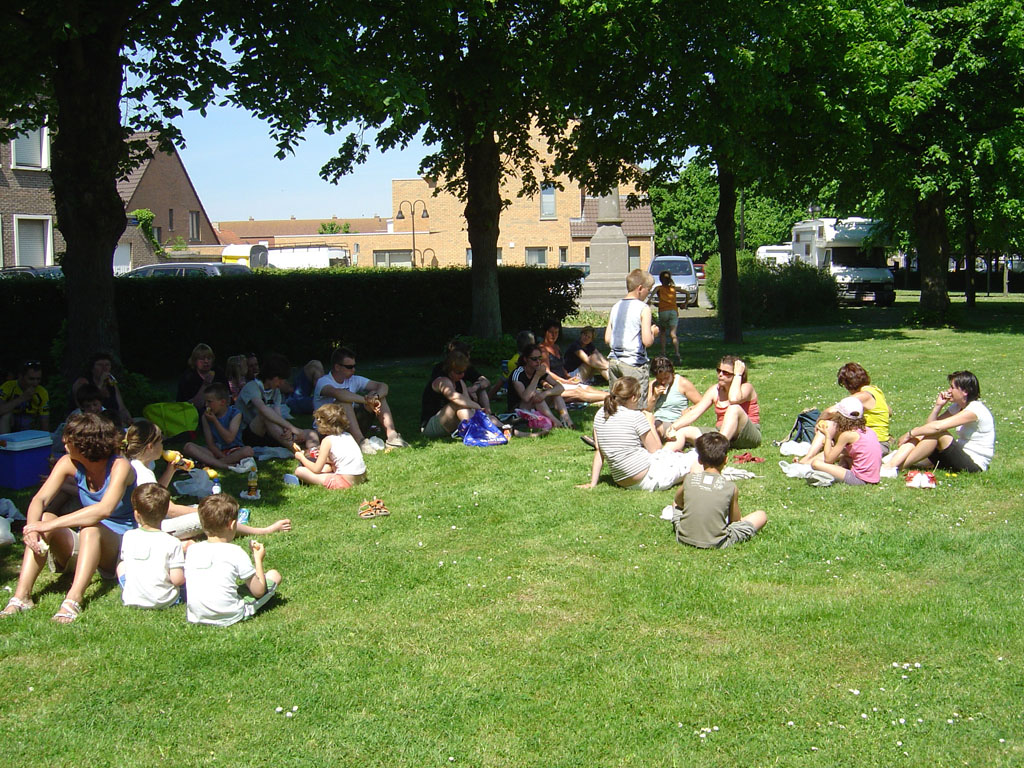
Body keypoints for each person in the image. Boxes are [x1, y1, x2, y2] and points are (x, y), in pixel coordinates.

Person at [1, 413, 136, 623]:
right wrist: (33, 528)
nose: (64, 442)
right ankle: (21, 596)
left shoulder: (120, 466)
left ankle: (73, 599)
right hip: (87, 544)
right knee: (44, 517)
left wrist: (51, 523)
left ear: (86, 444)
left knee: (91, 527)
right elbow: (40, 499)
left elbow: (103, 510)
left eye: (69, 439)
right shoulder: (68, 463)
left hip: (118, 546)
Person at [125, 419, 290, 540]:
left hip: (152, 521)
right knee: (212, 515)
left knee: (204, 508)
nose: (163, 445)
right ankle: (262, 531)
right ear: (149, 447)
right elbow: (169, 509)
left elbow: (156, 495)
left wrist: (171, 469)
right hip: (154, 529)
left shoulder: (140, 465)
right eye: (160, 441)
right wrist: (206, 511)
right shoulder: (142, 473)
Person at [578, 377, 697, 492]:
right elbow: (655, 450)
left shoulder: (601, 414)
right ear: (633, 397)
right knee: (697, 458)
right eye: (640, 396)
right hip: (648, 477)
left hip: (622, 480)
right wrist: (650, 423)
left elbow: (600, 451)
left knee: (675, 455)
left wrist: (593, 483)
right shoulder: (635, 416)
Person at [184, 493, 282, 626]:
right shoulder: (235, 552)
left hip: (196, 615)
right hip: (230, 614)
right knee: (273, 575)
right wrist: (258, 559)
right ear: (232, 524)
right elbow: (258, 591)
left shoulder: (192, 550)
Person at [882, 370, 994, 474]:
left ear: (964, 391)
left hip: (974, 463)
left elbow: (937, 428)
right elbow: (930, 426)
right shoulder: (957, 407)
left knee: (937, 432)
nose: (949, 390)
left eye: (952, 387)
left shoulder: (975, 410)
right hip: (957, 456)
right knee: (926, 431)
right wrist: (938, 406)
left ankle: (896, 467)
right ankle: (891, 463)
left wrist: (910, 433)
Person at [670, 432, 767, 548]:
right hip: (716, 542)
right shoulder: (731, 487)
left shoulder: (690, 478)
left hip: (683, 537)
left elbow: (678, 501)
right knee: (761, 515)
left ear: (699, 460)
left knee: (675, 504)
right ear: (726, 460)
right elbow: (735, 522)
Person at [313, 346, 410, 454]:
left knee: (378, 395)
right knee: (343, 403)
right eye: (349, 367)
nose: (353, 370)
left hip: (349, 425)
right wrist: (367, 401)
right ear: (337, 367)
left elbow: (383, 386)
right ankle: (361, 442)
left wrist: (375, 397)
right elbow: (340, 394)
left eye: (354, 366)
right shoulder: (323, 382)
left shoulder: (354, 379)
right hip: (328, 429)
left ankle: (392, 436)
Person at [798, 362, 893, 463]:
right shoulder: (875, 390)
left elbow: (830, 411)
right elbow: (889, 411)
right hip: (881, 442)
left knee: (827, 425)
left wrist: (819, 421)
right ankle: (810, 458)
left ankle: (808, 459)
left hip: (873, 444)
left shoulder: (861, 396)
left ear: (847, 384)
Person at [116, 484, 186, 610]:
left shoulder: (128, 536)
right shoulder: (172, 542)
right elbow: (177, 580)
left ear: (136, 514)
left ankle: (131, 590)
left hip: (133, 598)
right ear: (165, 513)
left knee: (121, 565)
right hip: (165, 600)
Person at [669, 356, 761, 449]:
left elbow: (733, 399)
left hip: (746, 436)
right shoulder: (715, 390)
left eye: (726, 373)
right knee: (683, 431)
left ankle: (717, 448)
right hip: (722, 432)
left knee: (734, 408)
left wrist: (738, 375)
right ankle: (661, 456)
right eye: (719, 370)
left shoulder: (746, 387)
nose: (720, 374)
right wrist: (673, 427)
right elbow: (695, 413)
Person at [239, 353, 319, 452]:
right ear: (272, 376)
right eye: (280, 379)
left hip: (270, 432)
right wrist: (292, 428)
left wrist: (287, 431)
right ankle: (297, 452)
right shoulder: (251, 387)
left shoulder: (275, 391)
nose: (281, 383)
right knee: (265, 415)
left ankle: (314, 454)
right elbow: (263, 409)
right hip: (250, 434)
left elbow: (278, 416)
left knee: (310, 433)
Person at [606, 269, 659, 407]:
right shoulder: (643, 308)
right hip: (634, 364)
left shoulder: (616, 307)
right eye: (649, 289)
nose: (649, 293)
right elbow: (647, 341)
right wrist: (653, 332)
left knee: (616, 405)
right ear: (640, 288)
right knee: (636, 407)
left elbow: (607, 339)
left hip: (614, 362)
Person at [421, 351, 502, 439]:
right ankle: (481, 434)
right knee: (457, 405)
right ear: (449, 370)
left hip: (451, 423)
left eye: (464, 372)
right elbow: (455, 397)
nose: (462, 375)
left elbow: (467, 403)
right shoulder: (441, 381)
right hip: (431, 426)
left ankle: (505, 429)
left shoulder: (460, 382)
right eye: (459, 372)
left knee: (467, 410)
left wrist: (480, 412)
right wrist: (477, 406)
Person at [183, 383, 257, 472]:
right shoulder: (205, 417)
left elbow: (229, 439)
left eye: (209, 402)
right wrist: (222, 456)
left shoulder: (235, 413)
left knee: (248, 451)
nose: (206, 405)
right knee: (188, 447)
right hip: (216, 451)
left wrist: (215, 421)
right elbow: (210, 444)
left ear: (222, 402)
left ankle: (212, 464)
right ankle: (223, 464)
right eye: (205, 402)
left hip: (234, 450)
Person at [289, 403, 367, 488]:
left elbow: (316, 469)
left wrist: (301, 457)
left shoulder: (327, 440)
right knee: (327, 467)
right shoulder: (348, 435)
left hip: (345, 482)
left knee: (300, 471)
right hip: (361, 477)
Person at [810, 396, 882, 485]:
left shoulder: (847, 435)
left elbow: (828, 460)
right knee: (845, 457)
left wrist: (828, 436)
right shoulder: (869, 431)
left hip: (861, 480)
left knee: (816, 463)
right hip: (874, 477)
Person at [537, 320, 606, 405]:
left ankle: (613, 397)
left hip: (564, 379)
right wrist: (564, 381)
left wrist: (568, 377)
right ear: (545, 332)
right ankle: (612, 398)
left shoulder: (556, 347)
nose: (554, 335)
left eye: (556, 332)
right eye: (551, 332)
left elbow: (561, 366)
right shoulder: (542, 349)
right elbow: (546, 372)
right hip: (554, 383)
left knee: (587, 388)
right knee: (579, 392)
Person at [508, 343, 571, 429]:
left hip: (533, 404)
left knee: (555, 394)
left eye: (539, 358)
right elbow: (525, 397)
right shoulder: (518, 374)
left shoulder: (539, 370)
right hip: (518, 408)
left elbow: (560, 387)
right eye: (534, 359)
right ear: (526, 359)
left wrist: (545, 394)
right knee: (535, 393)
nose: (538, 361)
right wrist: (537, 376)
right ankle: (555, 421)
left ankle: (567, 420)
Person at [645, 356, 701, 439]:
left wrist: (689, 410)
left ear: (672, 373)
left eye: (666, 378)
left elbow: (701, 403)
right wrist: (654, 396)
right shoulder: (653, 385)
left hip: (675, 421)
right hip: (657, 419)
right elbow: (647, 410)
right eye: (660, 379)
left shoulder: (682, 383)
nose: (663, 381)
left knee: (654, 428)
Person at [72, 352, 131, 426]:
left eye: (107, 365)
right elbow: (85, 402)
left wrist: (128, 419)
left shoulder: (111, 384)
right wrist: (101, 383)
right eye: (100, 365)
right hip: (91, 422)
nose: (104, 368)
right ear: (92, 368)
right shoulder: (83, 382)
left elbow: (122, 407)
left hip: (114, 420)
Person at [0, 360, 49, 432]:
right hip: (10, 425)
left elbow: (45, 421)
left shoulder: (42, 392)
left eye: (38, 379)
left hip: (30, 427)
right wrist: (22, 398)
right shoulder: (8, 386)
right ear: (21, 376)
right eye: (31, 379)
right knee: (5, 416)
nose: (35, 383)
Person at [177, 343, 226, 414]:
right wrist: (206, 384)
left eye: (209, 358)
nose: (206, 361)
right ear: (195, 361)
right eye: (202, 359)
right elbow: (191, 405)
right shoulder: (188, 378)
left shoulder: (219, 373)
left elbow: (227, 395)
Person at [652, 270, 680, 359]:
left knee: (663, 332)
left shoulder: (659, 288)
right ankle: (677, 353)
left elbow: (652, 295)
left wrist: (649, 302)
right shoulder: (673, 288)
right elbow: (686, 293)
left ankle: (663, 352)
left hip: (663, 311)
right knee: (673, 334)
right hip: (673, 311)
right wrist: (685, 303)